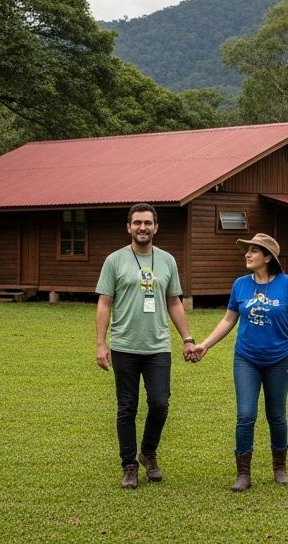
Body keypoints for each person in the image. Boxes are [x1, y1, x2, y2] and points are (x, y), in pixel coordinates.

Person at [190, 233, 288, 492]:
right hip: (246, 359)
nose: (247, 254)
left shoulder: (286, 284)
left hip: (278, 360)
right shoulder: (240, 284)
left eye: (254, 251)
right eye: (248, 250)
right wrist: (205, 344)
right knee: (245, 415)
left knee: (276, 415)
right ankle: (243, 473)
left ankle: (280, 468)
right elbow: (229, 320)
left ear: (267, 257)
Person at [95, 203, 197, 490]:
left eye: (147, 223)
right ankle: (129, 465)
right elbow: (104, 303)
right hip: (125, 346)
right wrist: (101, 344)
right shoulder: (114, 261)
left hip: (158, 347)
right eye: (137, 222)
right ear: (129, 227)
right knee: (127, 407)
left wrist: (187, 338)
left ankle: (148, 453)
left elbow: (174, 301)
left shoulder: (167, 261)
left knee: (160, 403)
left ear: (156, 227)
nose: (142, 227)